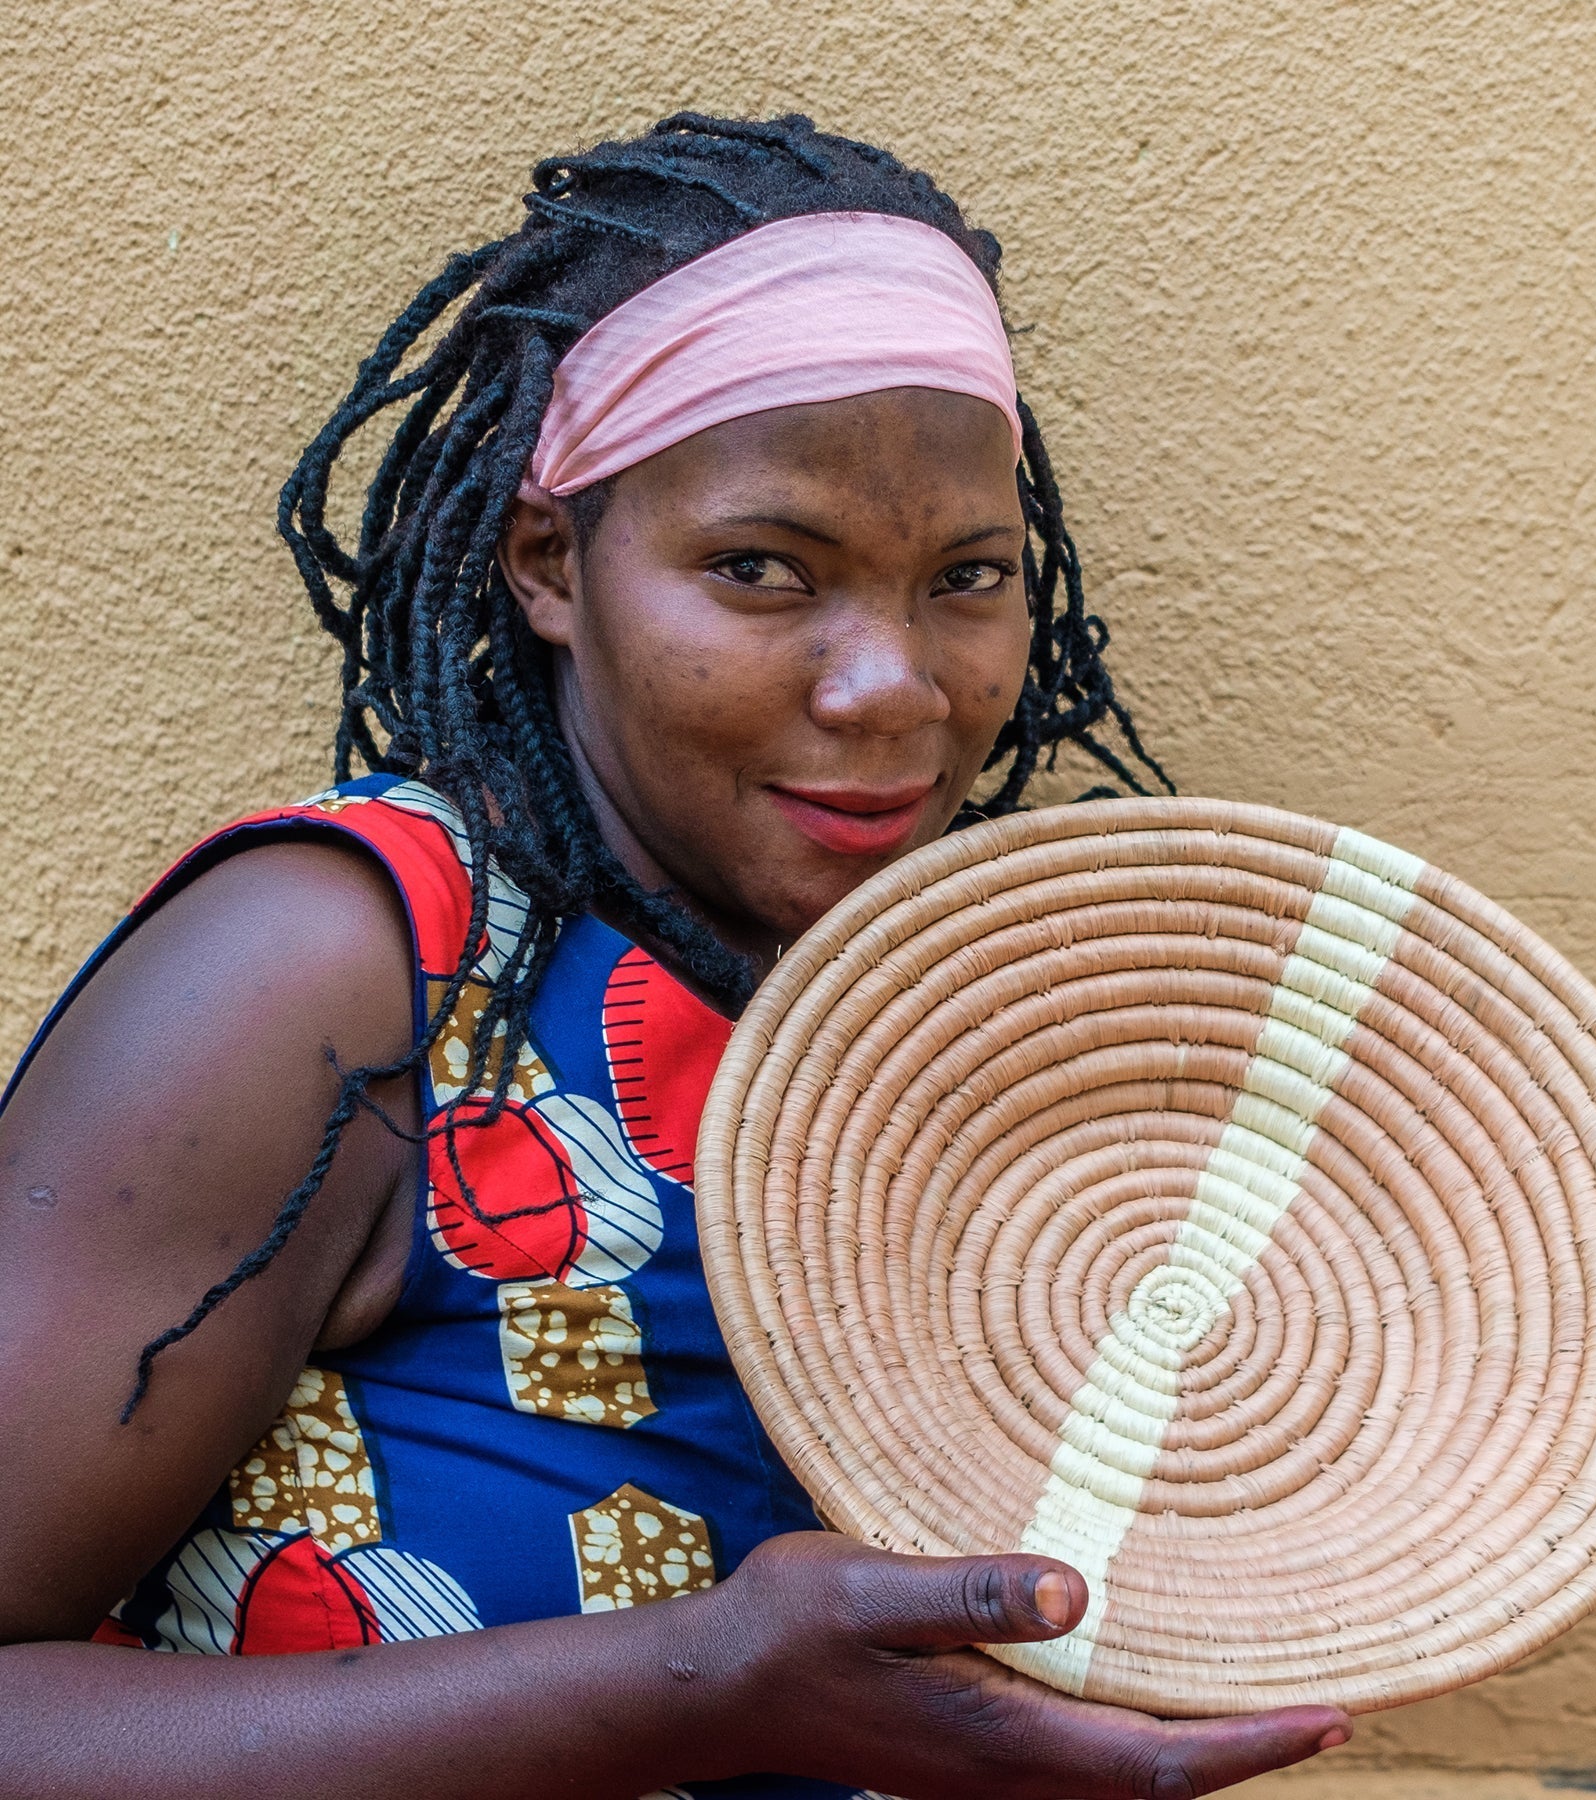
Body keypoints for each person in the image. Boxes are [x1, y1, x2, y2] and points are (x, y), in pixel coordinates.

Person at [0, 113, 1351, 1798]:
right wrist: (693, 1687)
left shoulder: (974, 1019)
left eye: (968, 579)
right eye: (763, 571)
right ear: (554, 563)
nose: (892, 687)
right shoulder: (345, 971)